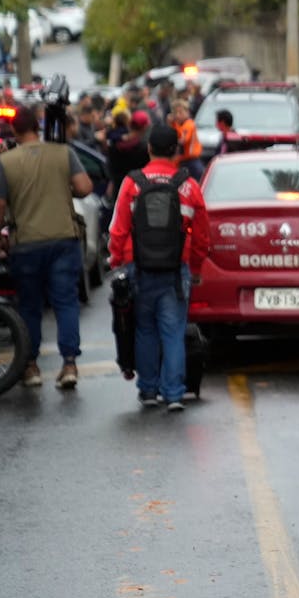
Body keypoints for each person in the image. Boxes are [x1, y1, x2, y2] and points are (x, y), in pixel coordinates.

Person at [0, 110, 95, 389]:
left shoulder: (5, 162)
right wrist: (63, 189)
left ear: (14, 131)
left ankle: (31, 367)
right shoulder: (63, 153)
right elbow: (84, 187)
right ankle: (69, 363)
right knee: (66, 302)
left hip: (26, 244)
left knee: (30, 306)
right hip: (63, 238)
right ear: (38, 127)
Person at [107, 125, 211, 411]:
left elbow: (117, 229)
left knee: (145, 330)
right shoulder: (188, 185)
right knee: (173, 331)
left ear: (149, 148)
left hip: (138, 267)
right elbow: (202, 234)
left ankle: (148, 390)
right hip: (177, 270)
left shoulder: (133, 183)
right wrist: (197, 266)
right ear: (176, 151)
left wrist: (117, 260)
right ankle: (174, 394)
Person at [169, 101, 205, 179]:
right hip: (182, 160)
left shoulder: (189, 124)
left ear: (187, 112)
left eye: (180, 112)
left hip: (191, 161)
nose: (178, 115)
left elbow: (183, 140)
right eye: (175, 113)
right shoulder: (178, 125)